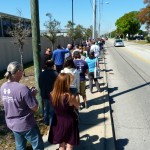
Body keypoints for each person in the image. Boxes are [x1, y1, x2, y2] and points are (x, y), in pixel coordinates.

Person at [0, 61, 44, 150]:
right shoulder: (22, 88)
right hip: (26, 124)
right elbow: (35, 108)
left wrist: (29, 95)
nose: (23, 73)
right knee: (38, 146)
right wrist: (33, 95)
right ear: (18, 72)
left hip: (12, 124)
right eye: (22, 71)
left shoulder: (3, 86)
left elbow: (14, 102)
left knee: (20, 147)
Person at [48, 73, 80, 150]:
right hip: (69, 121)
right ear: (65, 84)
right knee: (69, 144)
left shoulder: (52, 94)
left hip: (58, 121)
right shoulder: (69, 96)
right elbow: (78, 106)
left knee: (61, 144)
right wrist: (78, 97)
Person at [39, 60, 58, 127]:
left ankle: (45, 121)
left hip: (44, 94)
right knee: (52, 110)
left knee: (46, 109)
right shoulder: (55, 74)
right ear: (53, 66)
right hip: (53, 95)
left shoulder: (42, 74)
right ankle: (51, 123)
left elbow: (40, 84)